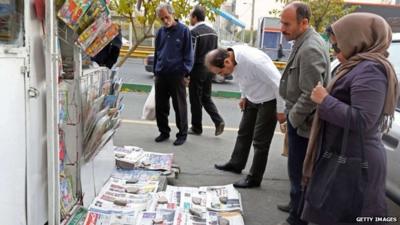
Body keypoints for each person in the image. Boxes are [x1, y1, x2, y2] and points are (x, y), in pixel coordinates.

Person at [302, 13, 398, 225]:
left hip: (354, 161)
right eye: (334, 47)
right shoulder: (357, 65)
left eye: (338, 47)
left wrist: (324, 100)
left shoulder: (371, 70)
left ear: (359, 41)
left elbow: (364, 120)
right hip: (343, 154)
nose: (336, 53)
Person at [277, 2, 330, 225]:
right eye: (281, 22)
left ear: (304, 23)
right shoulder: (303, 41)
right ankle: (294, 205)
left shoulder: (310, 48)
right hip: (299, 119)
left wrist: (293, 118)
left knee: (300, 172)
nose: (281, 28)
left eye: (286, 24)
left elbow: (311, 93)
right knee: (295, 169)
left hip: (303, 122)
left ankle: (297, 218)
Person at [205, 46, 285, 188]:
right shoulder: (233, 57)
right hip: (252, 97)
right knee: (244, 132)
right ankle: (236, 163)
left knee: (260, 141)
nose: (221, 76)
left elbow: (278, 84)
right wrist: (244, 96)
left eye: (221, 72)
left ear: (227, 62)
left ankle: (254, 178)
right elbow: (242, 79)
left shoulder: (255, 62)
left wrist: (280, 110)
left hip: (269, 100)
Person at [153, 3, 194, 146]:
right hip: (161, 74)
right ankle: (164, 132)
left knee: (180, 106)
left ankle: (182, 134)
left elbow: (189, 54)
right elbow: (157, 52)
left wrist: (185, 72)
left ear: (172, 14)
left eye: (167, 17)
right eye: (162, 18)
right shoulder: (160, 32)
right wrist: (155, 71)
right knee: (160, 106)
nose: (165, 20)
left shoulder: (184, 31)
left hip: (177, 75)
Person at [188, 5, 225, 136]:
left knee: (195, 99)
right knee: (206, 97)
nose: (189, 19)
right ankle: (218, 121)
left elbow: (191, 55)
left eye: (190, 16)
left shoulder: (194, 33)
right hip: (209, 70)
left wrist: (187, 73)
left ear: (195, 17)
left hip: (197, 69)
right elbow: (216, 53)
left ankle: (197, 127)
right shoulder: (213, 32)